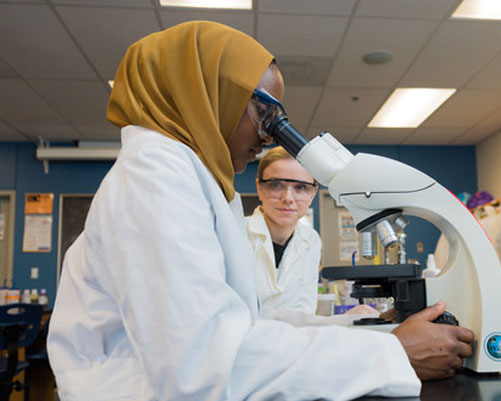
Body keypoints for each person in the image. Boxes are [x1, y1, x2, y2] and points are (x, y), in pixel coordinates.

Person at [47, 21, 474, 400]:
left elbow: (250, 325)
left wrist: (361, 331)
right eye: (263, 111)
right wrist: (391, 354)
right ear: (208, 95)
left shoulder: (198, 181)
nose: (270, 135)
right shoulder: (155, 172)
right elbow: (203, 367)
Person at [246, 146, 321, 316]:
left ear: (313, 193)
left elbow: (305, 312)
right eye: (276, 185)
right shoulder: (235, 233)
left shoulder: (311, 240)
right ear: (260, 188)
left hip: (291, 340)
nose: (288, 198)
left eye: (301, 187)